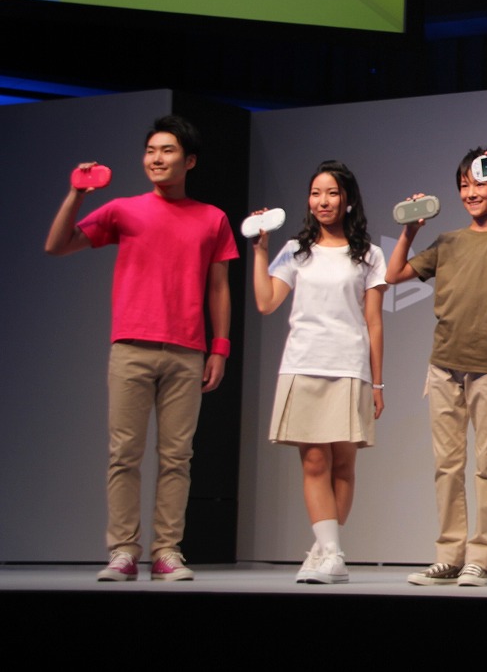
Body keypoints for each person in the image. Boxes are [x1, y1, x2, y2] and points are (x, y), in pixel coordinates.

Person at [45, 115, 238, 581]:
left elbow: (219, 288)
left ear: (189, 161)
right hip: (131, 346)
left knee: (177, 458)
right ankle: (123, 551)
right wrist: (77, 194)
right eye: (151, 150)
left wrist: (220, 348)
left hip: (186, 350)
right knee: (124, 454)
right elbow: (57, 245)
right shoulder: (123, 210)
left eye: (167, 150)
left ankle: (167, 550)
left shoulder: (212, 218)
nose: (156, 158)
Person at [387, 148, 487, 588]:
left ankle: (481, 558)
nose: (471, 193)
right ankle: (449, 556)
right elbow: (394, 275)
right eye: (463, 185)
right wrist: (409, 232)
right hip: (443, 366)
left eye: (479, 183)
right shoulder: (448, 241)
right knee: (447, 465)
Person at [252, 161, 387, 584]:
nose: (322, 201)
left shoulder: (369, 254)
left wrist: (378, 382)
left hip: (349, 365)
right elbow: (266, 302)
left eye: (331, 193)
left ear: (347, 200)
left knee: (343, 465)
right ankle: (332, 553)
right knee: (314, 461)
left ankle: (324, 551)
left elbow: (374, 322)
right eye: (315, 193)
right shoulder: (296, 250)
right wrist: (260, 251)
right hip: (304, 362)